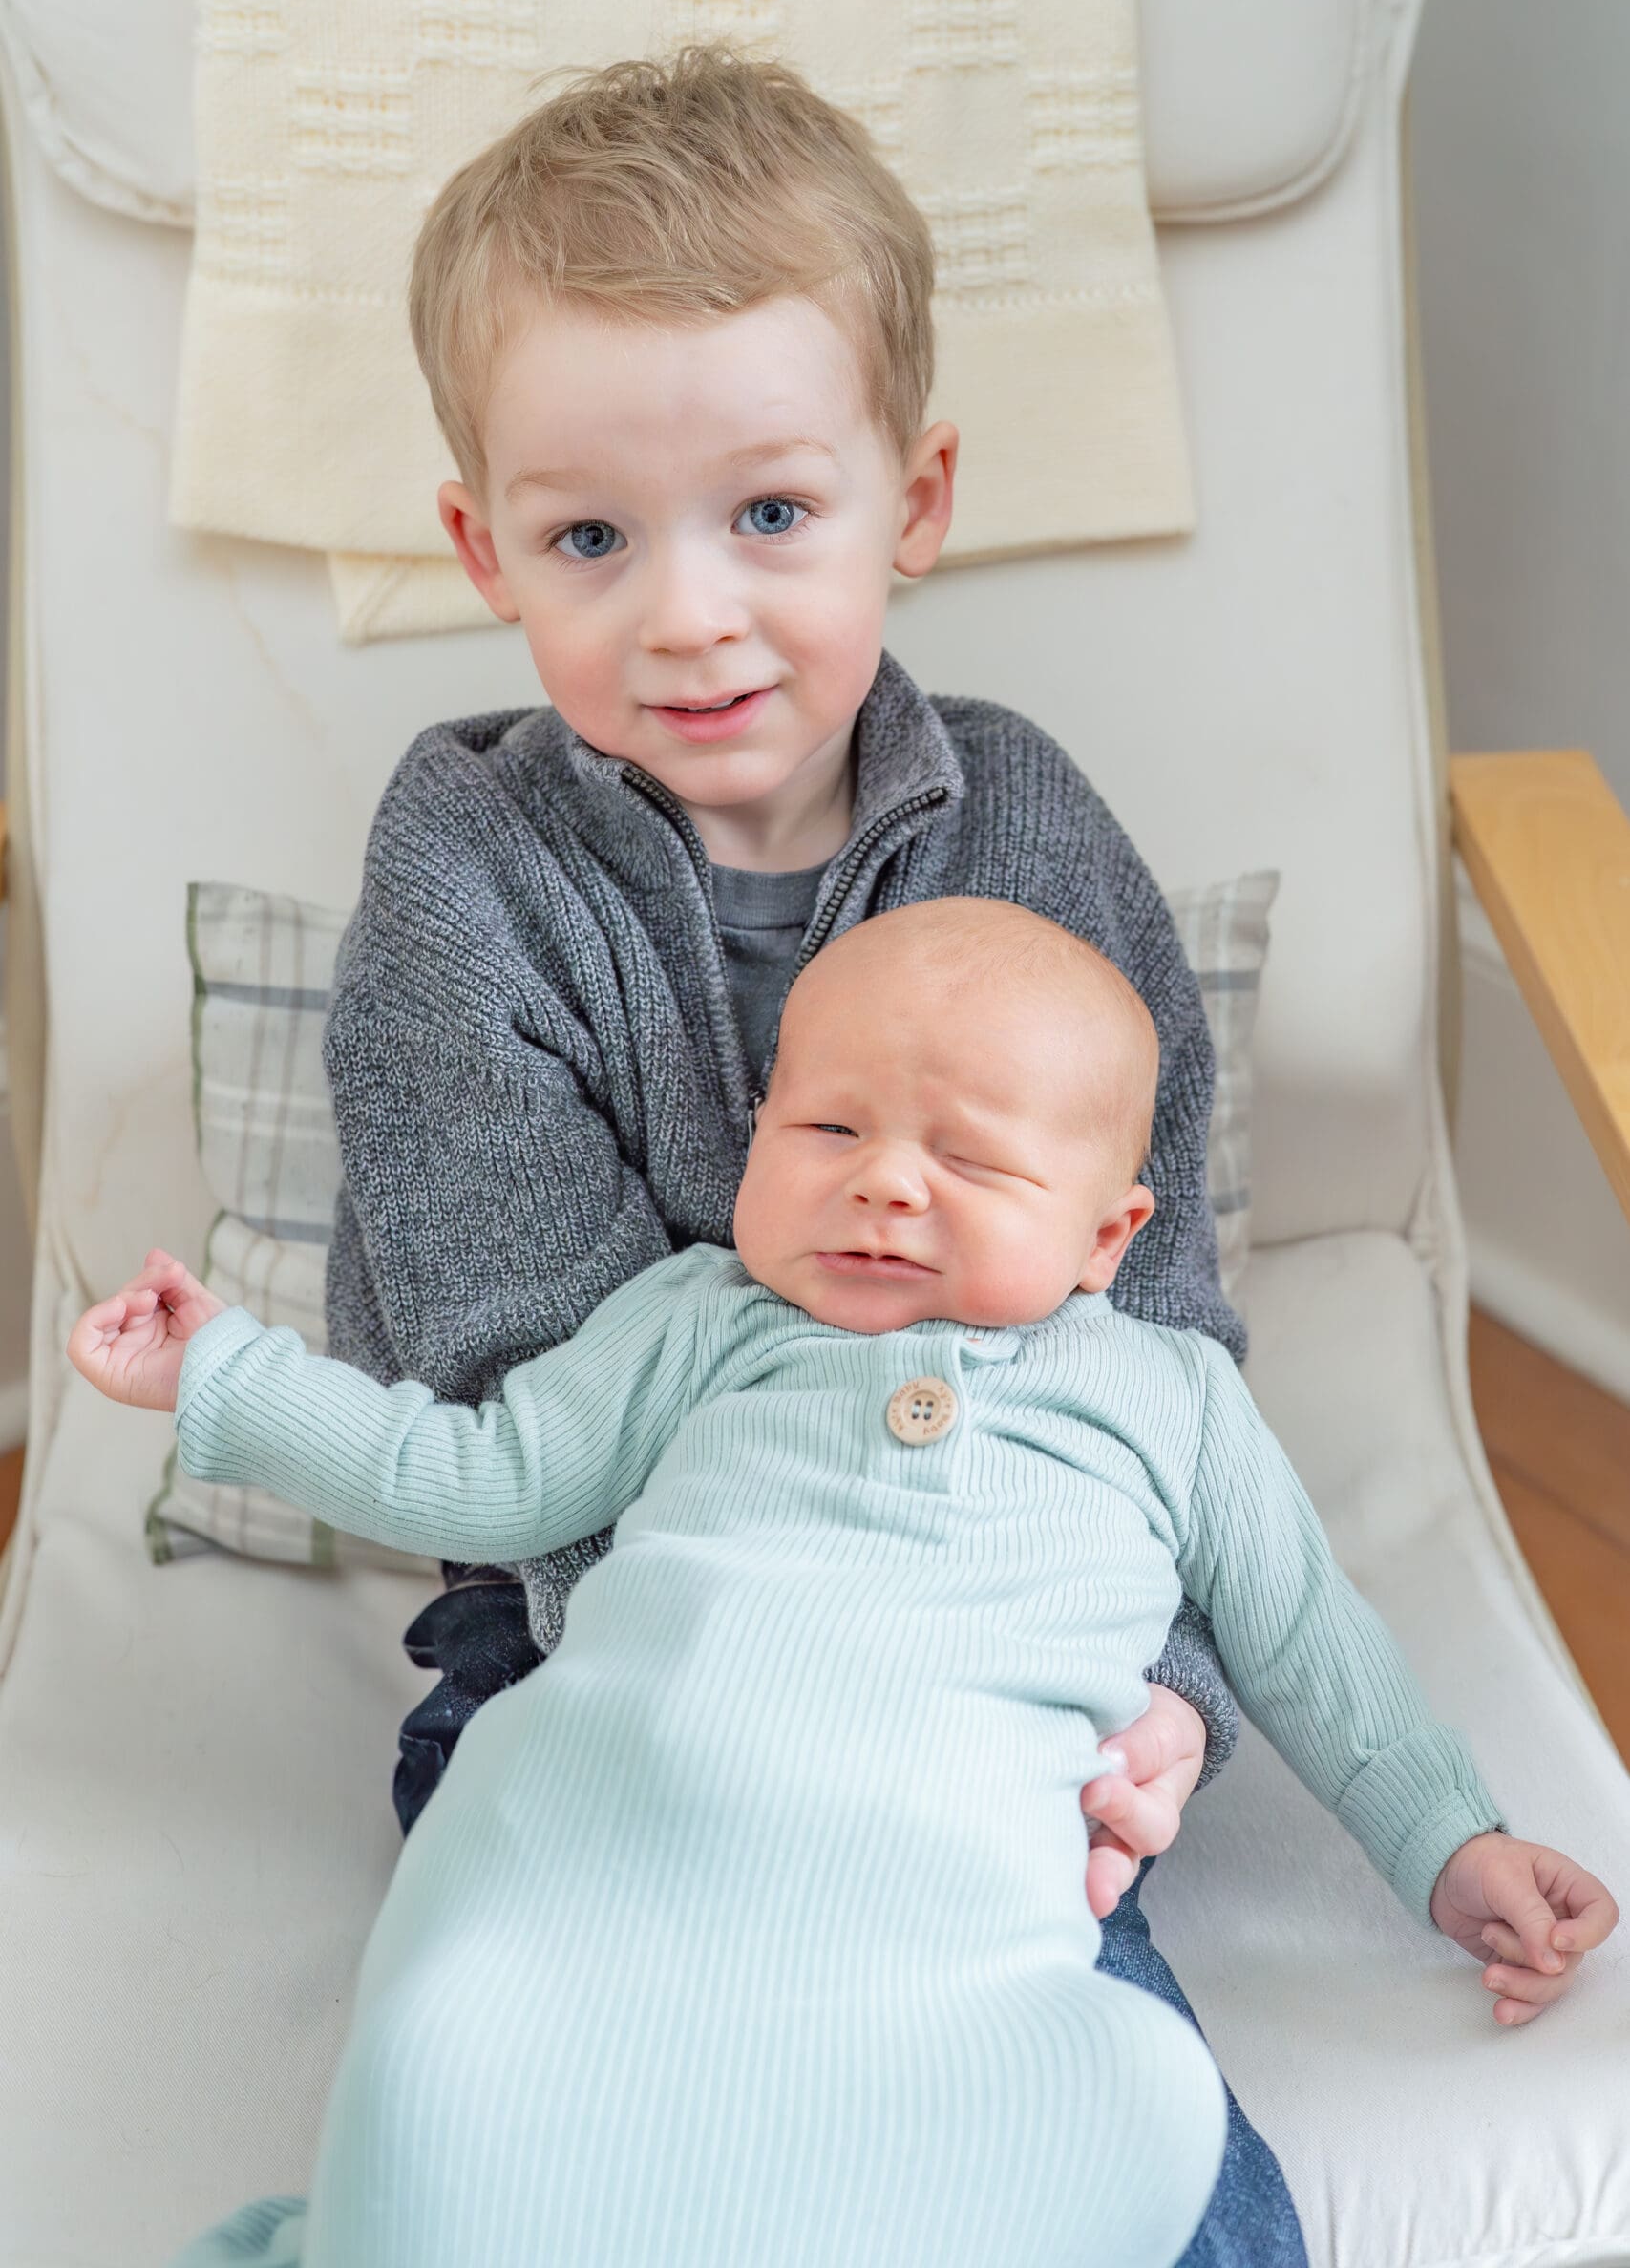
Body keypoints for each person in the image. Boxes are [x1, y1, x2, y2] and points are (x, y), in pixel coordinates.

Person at [326, 36, 1281, 2256]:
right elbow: (515, 1375)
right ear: (485, 547)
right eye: (589, 535)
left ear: (911, 504)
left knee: (1131, 2171)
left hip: (985, 1655)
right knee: (531, 2130)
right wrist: (741, 1735)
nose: (687, 612)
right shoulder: (462, 871)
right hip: (600, 1653)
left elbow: (1162, 1337)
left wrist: (1162, 1699)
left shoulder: (1029, 828)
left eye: (769, 512)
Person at [70, 901, 1618, 2268]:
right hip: (587, 1846)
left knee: (1113, 2116)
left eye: (968, 1157)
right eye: (827, 1133)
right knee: (450, 2078)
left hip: (928, 1914)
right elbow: (474, 1472)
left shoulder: (1166, 1396)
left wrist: (1448, 1839)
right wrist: (230, 1372)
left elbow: (1308, 1639)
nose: (885, 1186)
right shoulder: (703, 1317)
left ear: (1107, 1237)